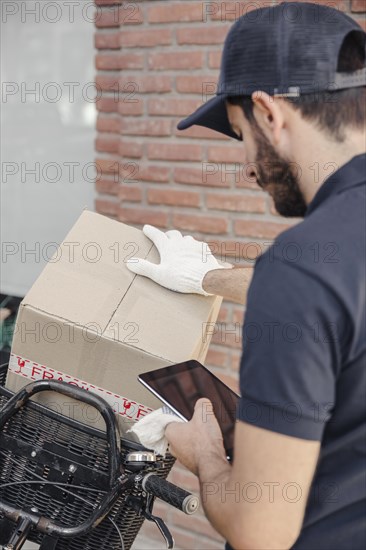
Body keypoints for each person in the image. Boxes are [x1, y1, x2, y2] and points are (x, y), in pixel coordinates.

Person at [127, 3, 366, 549]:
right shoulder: (320, 267)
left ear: (269, 113)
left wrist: (205, 454)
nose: (248, 168)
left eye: (240, 135)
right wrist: (207, 277)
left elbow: (261, 532)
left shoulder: (302, 265)